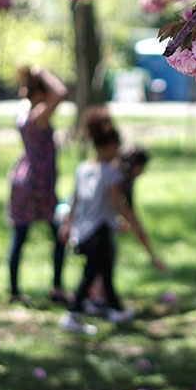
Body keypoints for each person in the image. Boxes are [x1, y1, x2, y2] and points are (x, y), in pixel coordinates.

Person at [59, 109, 161, 333]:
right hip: (99, 230)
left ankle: (115, 309)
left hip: (84, 229)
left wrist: (68, 224)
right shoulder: (111, 174)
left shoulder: (83, 169)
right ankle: (73, 314)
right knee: (90, 274)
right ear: (110, 146)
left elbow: (75, 199)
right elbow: (116, 203)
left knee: (105, 270)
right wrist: (131, 220)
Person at [6, 65, 69, 305]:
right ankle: (57, 287)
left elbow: (33, 93)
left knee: (19, 234)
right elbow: (61, 93)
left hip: (21, 177)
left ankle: (14, 290)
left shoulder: (23, 112)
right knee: (58, 233)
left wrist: (32, 80)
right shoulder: (38, 116)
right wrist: (41, 72)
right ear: (41, 93)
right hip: (38, 182)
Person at [83, 144, 164, 314]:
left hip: (92, 223)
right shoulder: (115, 177)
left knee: (100, 265)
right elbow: (120, 207)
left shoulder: (111, 172)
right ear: (139, 166)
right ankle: (96, 304)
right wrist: (152, 254)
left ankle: (97, 301)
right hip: (92, 225)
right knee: (100, 265)